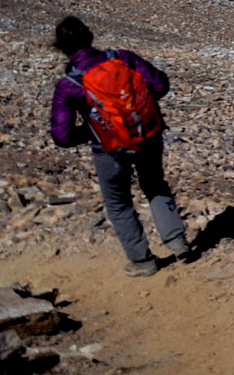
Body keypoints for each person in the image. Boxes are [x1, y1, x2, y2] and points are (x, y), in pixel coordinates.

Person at [48, 16, 188, 276]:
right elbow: (160, 84)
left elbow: (62, 136)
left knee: (119, 203)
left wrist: (94, 130)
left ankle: (143, 262)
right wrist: (134, 110)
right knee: (154, 184)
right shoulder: (122, 58)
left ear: (61, 47)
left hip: (109, 150)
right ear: (90, 36)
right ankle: (178, 242)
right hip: (147, 136)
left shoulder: (68, 85)